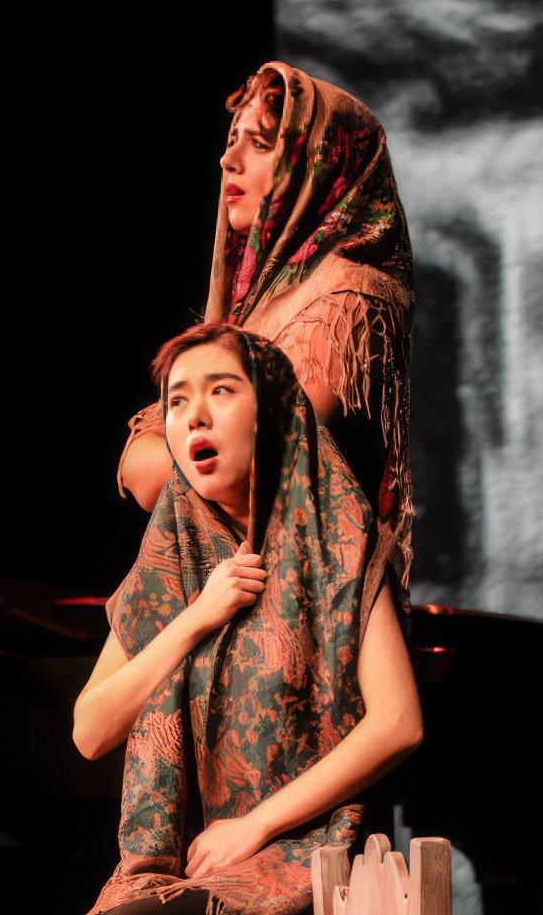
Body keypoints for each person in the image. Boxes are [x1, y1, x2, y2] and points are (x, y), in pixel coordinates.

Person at [56, 323, 422, 915]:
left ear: (274, 412)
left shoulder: (335, 539)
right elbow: (90, 730)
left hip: (297, 857)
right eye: (176, 400)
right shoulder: (174, 552)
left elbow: (398, 721)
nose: (193, 414)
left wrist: (255, 825)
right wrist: (197, 616)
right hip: (182, 868)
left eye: (221, 391)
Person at [117, 61, 417, 603]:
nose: (227, 160)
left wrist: (174, 453)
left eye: (258, 145)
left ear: (316, 167)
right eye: (232, 141)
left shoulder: (351, 296)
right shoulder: (249, 306)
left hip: (306, 607)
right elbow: (141, 464)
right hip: (224, 595)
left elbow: (261, 469)